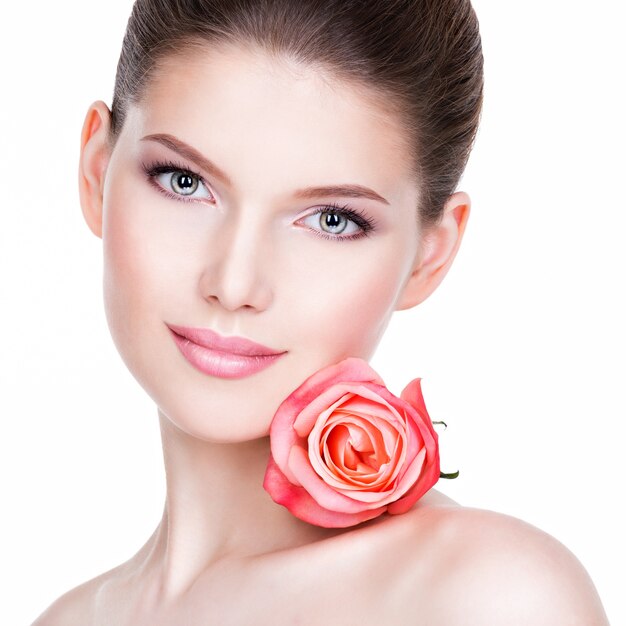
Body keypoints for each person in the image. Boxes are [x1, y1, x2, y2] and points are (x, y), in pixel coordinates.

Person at [31, 0, 610, 623]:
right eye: (183, 181)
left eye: (332, 221)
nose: (234, 282)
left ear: (429, 257)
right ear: (96, 171)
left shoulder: (488, 597)